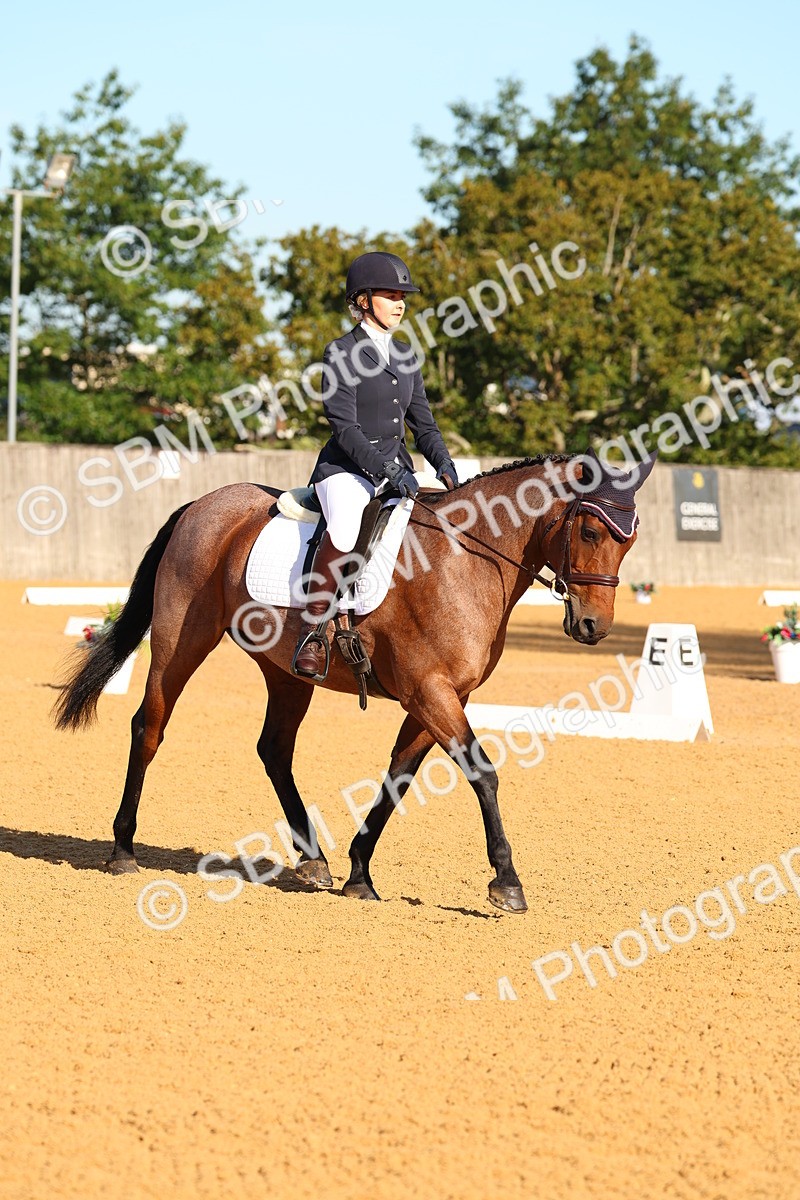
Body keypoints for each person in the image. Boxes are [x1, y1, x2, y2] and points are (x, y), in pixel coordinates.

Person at [292, 251, 458, 678]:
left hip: (397, 469)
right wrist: (388, 469)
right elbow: (344, 428)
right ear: (363, 300)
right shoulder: (340, 352)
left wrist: (443, 463)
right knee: (346, 527)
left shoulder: (406, 356)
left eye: (403, 295)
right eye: (390, 294)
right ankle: (313, 631)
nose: (400, 302)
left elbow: (424, 423)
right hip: (346, 470)